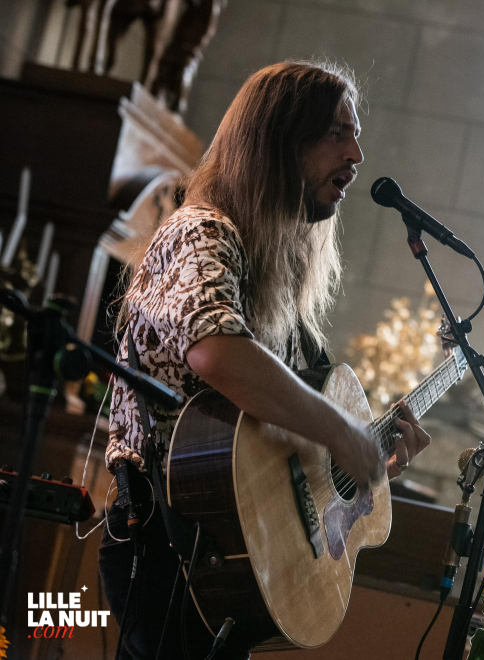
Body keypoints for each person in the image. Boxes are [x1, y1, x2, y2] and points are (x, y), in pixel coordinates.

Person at [98, 60, 431, 659]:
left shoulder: (280, 276)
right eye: (336, 132)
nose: (356, 153)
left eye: (357, 135)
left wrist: (365, 460)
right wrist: (344, 431)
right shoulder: (203, 231)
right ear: (277, 142)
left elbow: (284, 450)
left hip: (227, 548)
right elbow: (216, 353)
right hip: (169, 542)